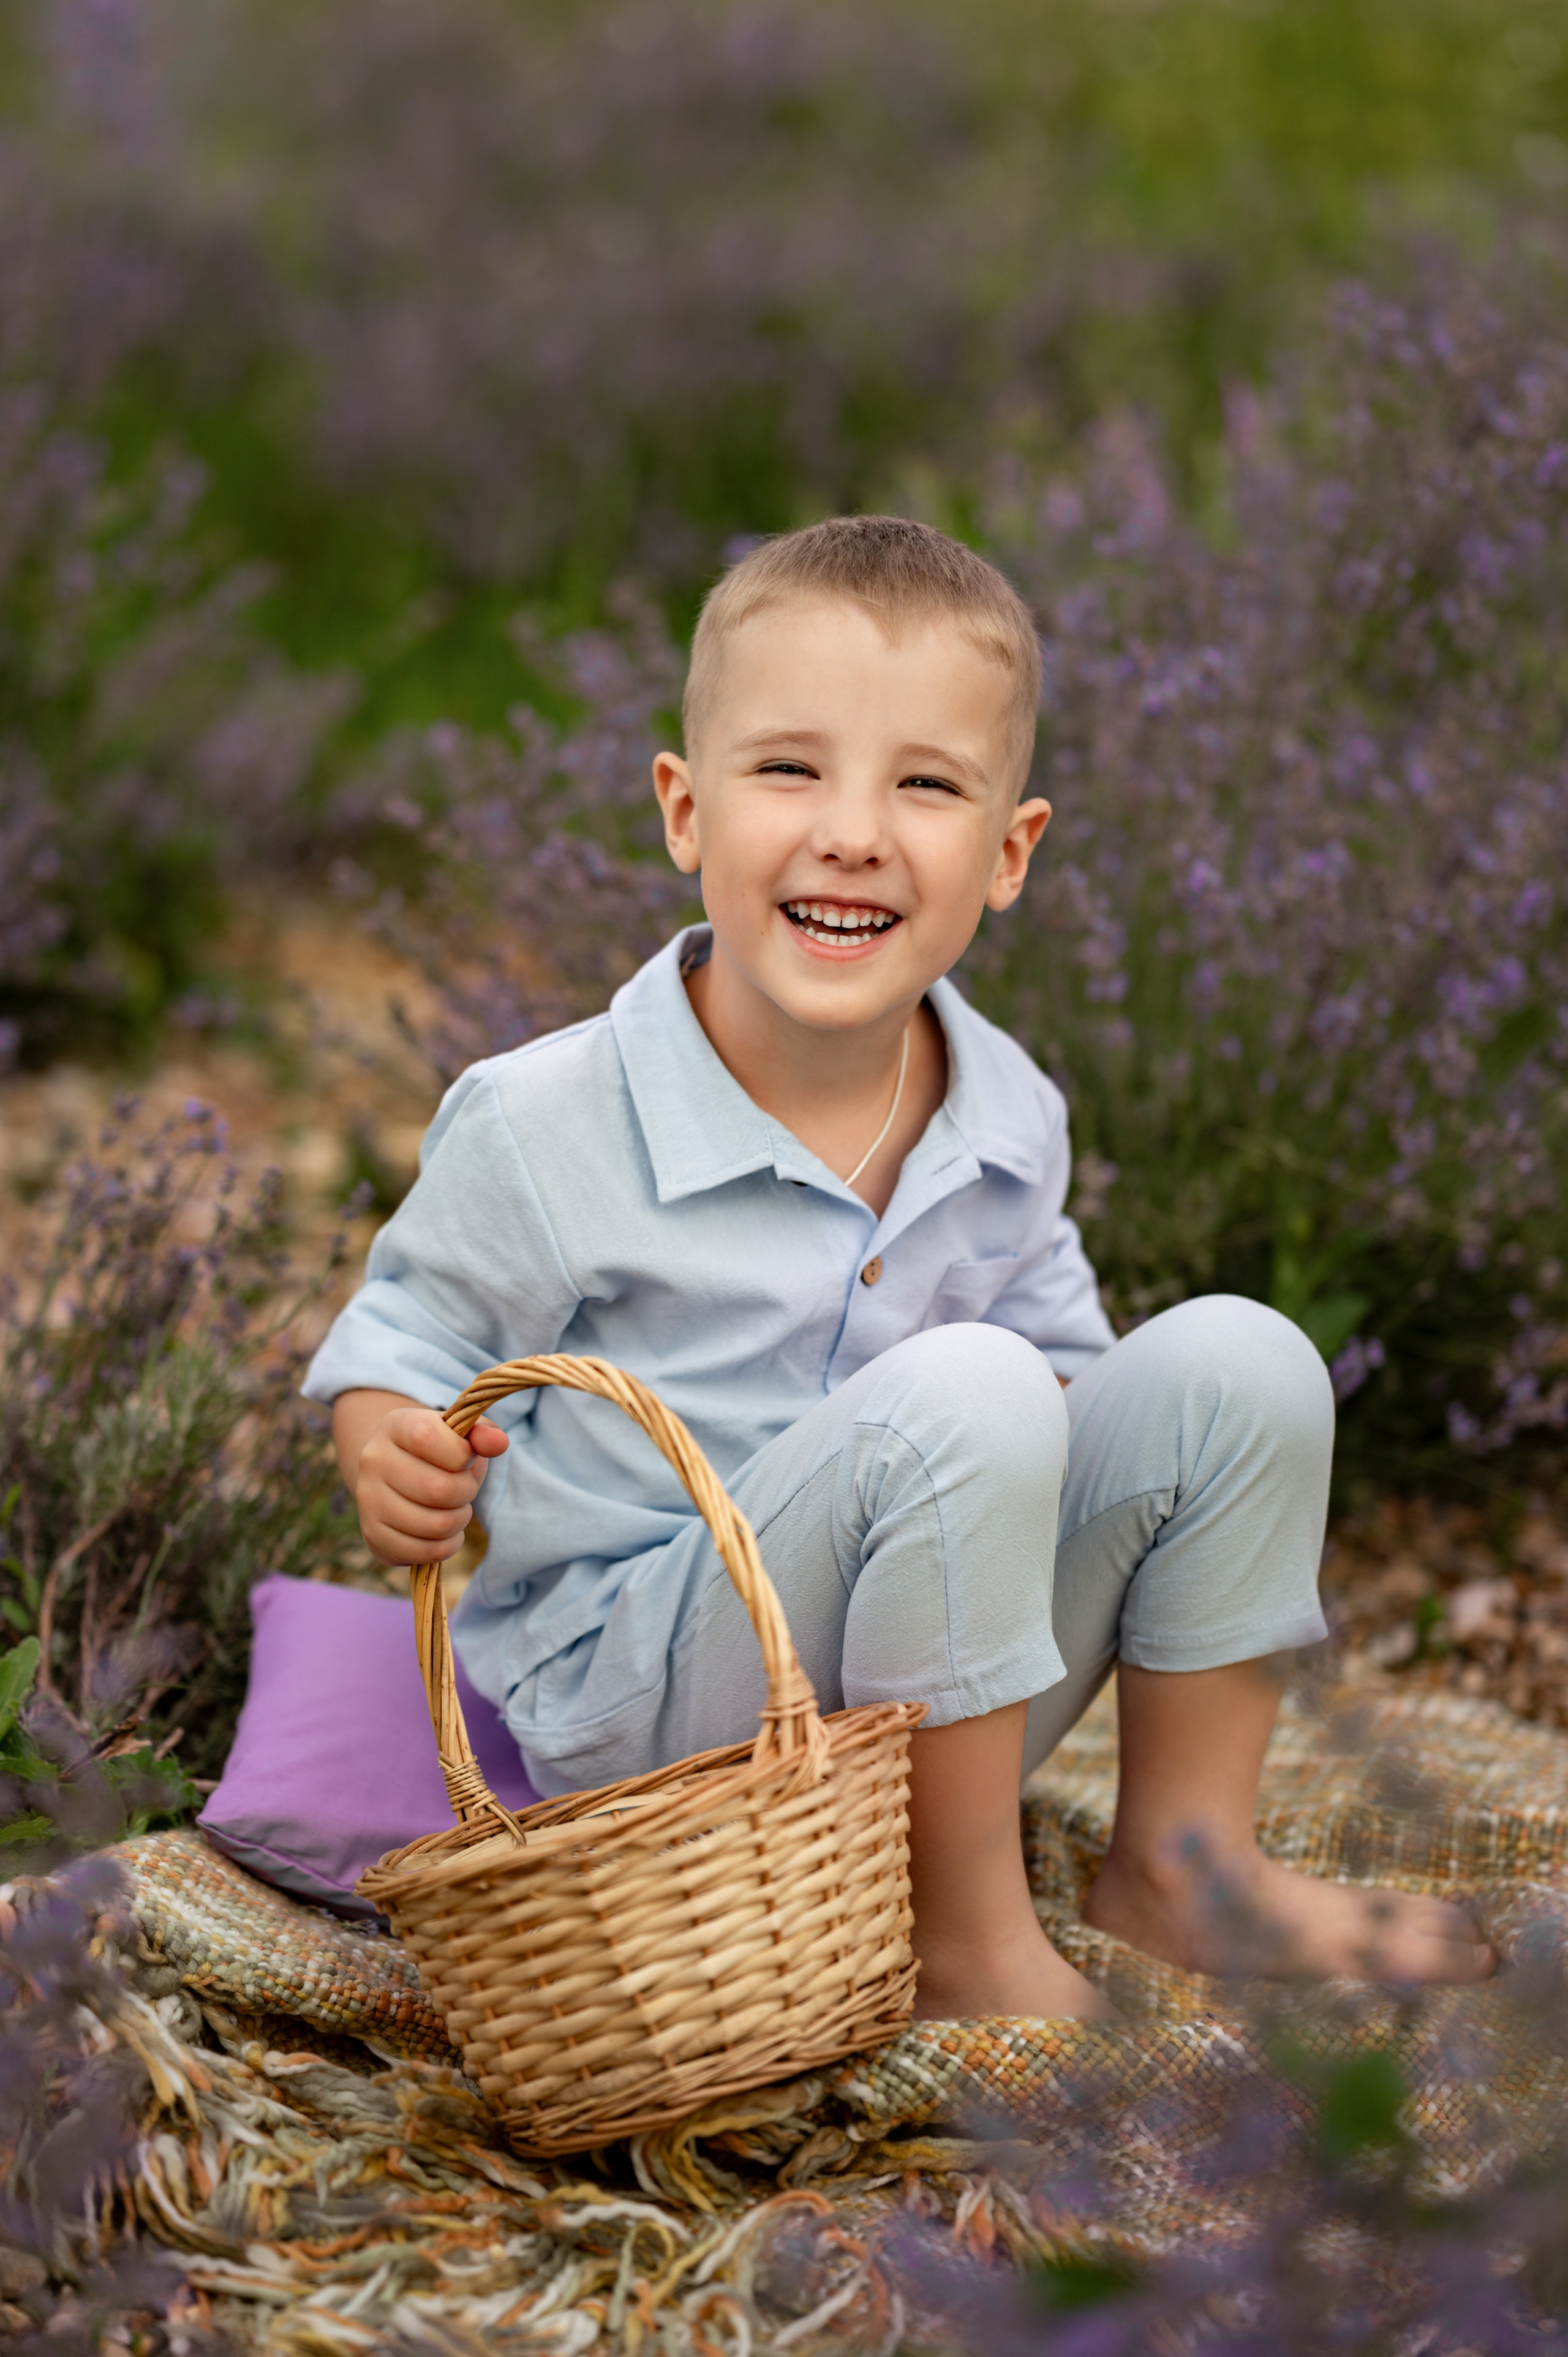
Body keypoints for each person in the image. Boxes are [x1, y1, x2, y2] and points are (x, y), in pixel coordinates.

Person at [306, 516, 1493, 2015]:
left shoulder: (1006, 1112)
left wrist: (1093, 1464)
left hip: (917, 1703)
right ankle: (960, 1941)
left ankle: (1184, 1864)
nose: (853, 831)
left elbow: (1074, 1381)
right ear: (684, 811)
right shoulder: (546, 1120)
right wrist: (390, 1446)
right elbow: (403, 1338)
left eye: (924, 784)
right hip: (645, 1715)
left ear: (1007, 853)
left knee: (1240, 1361)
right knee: (970, 1389)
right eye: (787, 768)